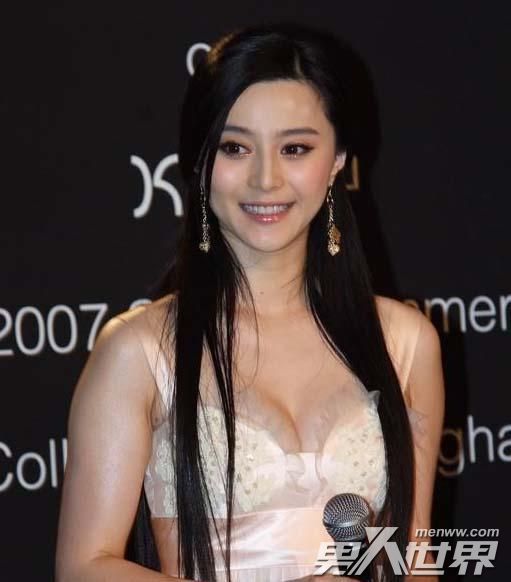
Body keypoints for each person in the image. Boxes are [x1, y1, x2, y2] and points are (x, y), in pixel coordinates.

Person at [55, 22, 445, 582]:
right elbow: (84, 567)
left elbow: (416, 555)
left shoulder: (405, 343)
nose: (266, 179)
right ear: (200, 162)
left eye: (295, 148)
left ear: (337, 160)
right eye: (235, 148)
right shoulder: (139, 352)